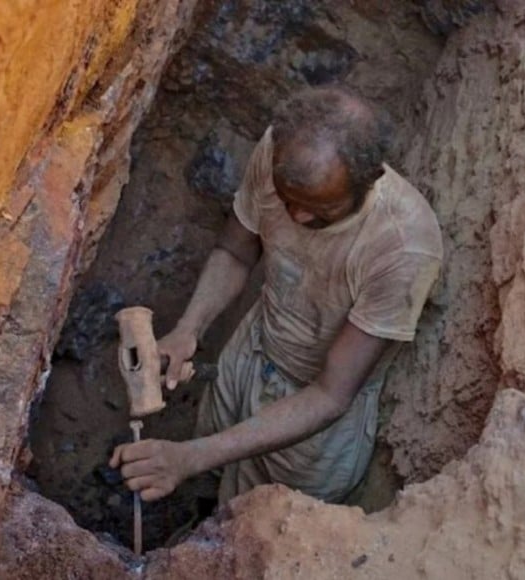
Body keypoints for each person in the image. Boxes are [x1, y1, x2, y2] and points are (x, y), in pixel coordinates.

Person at [110, 87, 444, 506]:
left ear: (371, 178)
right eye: (288, 201)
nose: (298, 216)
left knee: (262, 518)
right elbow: (236, 251)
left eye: (321, 209)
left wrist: (190, 457)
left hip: (314, 422)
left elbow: (330, 394)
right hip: (251, 351)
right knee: (210, 482)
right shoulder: (278, 153)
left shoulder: (402, 246)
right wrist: (187, 330)